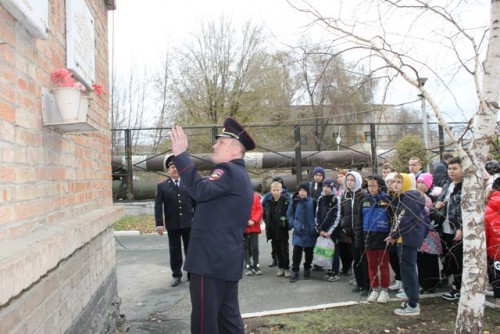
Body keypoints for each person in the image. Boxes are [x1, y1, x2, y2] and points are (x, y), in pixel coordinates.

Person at [169, 117, 255, 333]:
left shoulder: (228, 171)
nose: (214, 145)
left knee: (204, 323)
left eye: (221, 142)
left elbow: (200, 190)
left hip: (209, 261)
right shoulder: (241, 175)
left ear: (235, 149)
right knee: (228, 321)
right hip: (224, 260)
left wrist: (180, 154)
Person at [385, 173, 428, 316]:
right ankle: (411, 299)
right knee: (407, 270)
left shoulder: (409, 199)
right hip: (404, 239)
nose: (395, 184)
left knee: (408, 271)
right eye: (394, 181)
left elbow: (403, 220)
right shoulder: (403, 198)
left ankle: (412, 304)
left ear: (408, 183)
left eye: (399, 182)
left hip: (407, 240)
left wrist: (393, 235)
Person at [154, 155, 195, 287]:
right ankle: (176, 275)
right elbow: (158, 206)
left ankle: (191, 273)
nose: (175, 169)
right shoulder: (162, 186)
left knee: (191, 249)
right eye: (172, 167)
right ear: (168, 170)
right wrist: (159, 224)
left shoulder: (188, 183)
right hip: (173, 224)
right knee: (175, 250)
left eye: (177, 167)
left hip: (189, 223)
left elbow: (196, 203)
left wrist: (198, 219)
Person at [434, 157, 463, 301]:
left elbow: (467, 210)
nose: (451, 171)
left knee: (458, 260)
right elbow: (440, 201)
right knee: (448, 258)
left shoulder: (465, 187)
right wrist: (438, 204)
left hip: (457, 230)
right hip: (444, 227)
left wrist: (461, 227)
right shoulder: (447, 185)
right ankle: (455, 287)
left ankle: (460, 288)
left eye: (455, 169)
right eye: (449, 169)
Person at [359, 175, 392, 303]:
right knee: (371, 265)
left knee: (383, 265)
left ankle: (384, 290)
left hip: (383, 238)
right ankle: (374, 289)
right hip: (368, 237)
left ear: (379, 186)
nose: (371, 188)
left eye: (374, 185)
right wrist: (360, 238)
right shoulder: (364, 200)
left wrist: (392, 236)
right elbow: (359, 221)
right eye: (369, 186)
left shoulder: (386, 200)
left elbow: (392, 219)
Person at [340, 171, 368, 295]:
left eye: (352, 180)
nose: (350, 182)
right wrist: (344, 226)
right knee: (356, 259)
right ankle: (360, 283)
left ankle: (367, 286)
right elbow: (342, 214)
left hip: (361, 232)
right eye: (348, 180)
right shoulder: (345, 196)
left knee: (363, 259)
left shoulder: (363, 196)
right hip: (351, 233)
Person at [287, 182, 318, 283]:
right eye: (300, 190)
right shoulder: (294, 201)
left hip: (310, 231)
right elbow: (289, 214)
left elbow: (317, 215)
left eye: (304, 190)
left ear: (308, 191)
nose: (302, 192)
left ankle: (307, 268)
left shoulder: (313, 201)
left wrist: (314, 226)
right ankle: (295, 271)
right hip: (298, 231)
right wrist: (294, 224)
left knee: (309, 252)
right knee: (297, 252)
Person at [416, 174, 442, 294]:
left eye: (423, 183)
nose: (420, 185)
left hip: (429, 233)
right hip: (420, 233)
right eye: (419, 182)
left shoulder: (433, 197)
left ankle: (431, 284)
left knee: (430, 260)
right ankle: (423, 283)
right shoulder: (417, 196)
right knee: (421, 259)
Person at [263, 181, 292, 278]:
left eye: (277, 190)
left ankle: (286, 268)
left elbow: (289, 214)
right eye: (273, 190)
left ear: (281, 190)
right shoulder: (269, 202)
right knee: (276, 250)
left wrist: (287, 224)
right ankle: (280, 267)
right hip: (272, 229)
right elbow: (266, 214)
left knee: (284, 250)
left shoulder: (286, 201)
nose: (275, 192)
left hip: (282, 229)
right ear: (270, 191)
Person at [316, 178, 341, 282]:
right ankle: (329, 271)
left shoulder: (336, 199)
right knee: (326, 251)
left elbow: (337, 217)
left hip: (332, 232)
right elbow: (317, 215)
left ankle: (335, 271)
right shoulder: (320, 198)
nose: (325, 189)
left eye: (327, 187)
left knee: (334, 251)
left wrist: (329, 231)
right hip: (323, 230)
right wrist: (320, 229)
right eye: (324, 187)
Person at [385, 172, 403, 293]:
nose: (391, 184)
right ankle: (398, 278)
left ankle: (403, 280)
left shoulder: (400, 197)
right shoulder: (386, 197)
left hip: (399, 232)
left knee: (400, 257)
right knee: (392, 256)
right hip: (388, 230)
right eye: (388, 182)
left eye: (393, 182)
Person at [485, 176, 500, 306]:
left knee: (496, 274)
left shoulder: (489, 206)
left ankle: (498, 298)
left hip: (494, 248)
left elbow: (484, 229)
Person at [244, 192, 264, 276]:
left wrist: (254, 220)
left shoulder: (255, 197)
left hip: (254, 226)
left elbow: (259, 210)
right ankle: (248, 264)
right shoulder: (239, 196)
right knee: (245, 247)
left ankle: (256, 265)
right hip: (244, 227)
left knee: (255, 246)